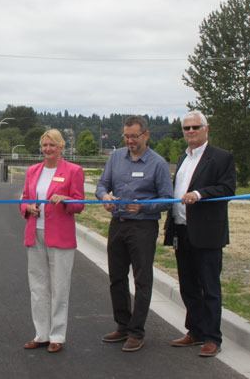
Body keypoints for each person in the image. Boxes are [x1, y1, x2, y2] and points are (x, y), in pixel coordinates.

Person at [96, 115, 173, 352]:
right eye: (126, 136)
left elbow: (168, 199)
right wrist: (105, 198)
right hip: (118, 223)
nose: (129, 141)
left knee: (142, 279)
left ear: (146, 135)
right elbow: (101, 186)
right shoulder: (116, 157)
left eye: (134, 136)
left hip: (143, 227)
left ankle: (137, 331)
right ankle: (123, 324)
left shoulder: (158, 164)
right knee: (116, 277)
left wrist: (143, 206)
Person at [163, 111, 235, 357]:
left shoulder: (221, 157)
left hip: (207, 233)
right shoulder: (183, 158)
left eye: (195, 127)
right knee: (188, 286)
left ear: (206, 129)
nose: (191, 132)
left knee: (209, 287)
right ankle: (195, 331)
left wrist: (199, 194)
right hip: (181, 231)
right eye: (186, 128)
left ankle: (213, 338)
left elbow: (227, 187)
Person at [19, 129, 85, 353]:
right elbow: (24, 200)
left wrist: (66, 199)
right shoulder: (32, 171)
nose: (48, 149)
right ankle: (41, 334)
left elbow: (79, 204)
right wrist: (27, 207)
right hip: (35, 233)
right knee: (37, 287)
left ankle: (57, 335)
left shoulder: (73, 171)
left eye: (52, 145)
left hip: (60, 237)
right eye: (45, 145)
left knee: (59, 287)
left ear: (61, 148)